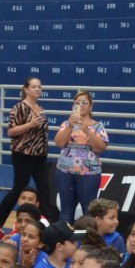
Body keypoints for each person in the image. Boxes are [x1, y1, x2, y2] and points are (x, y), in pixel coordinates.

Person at [0, 77, 55, 226]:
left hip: (39, 155)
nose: (37, 89)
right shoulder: (19, 107)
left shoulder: (41, 109)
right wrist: (31, 124)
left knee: (45, 191)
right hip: (23, 155)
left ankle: (49, 224)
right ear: (26, 89)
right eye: (34, 87)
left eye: (39, 87)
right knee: (17, 190)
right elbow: (11, 131)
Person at [53, 91, 110, 222]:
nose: (81, 105)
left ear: (91, 107)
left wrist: (86, 130)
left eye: (85, 102)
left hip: (89, 173)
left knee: (88, 210)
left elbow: (100, 147)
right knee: (66, 210)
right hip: (64, 171)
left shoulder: (97, 126)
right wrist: (71, 126)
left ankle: (88, 240)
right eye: (77, 103)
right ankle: (64, 240)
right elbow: (59, 142)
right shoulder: (66, 124)